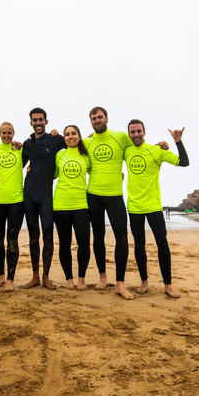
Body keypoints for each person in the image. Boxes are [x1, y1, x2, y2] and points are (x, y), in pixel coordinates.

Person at [83, 106, 168, 300]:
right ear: (91, 121)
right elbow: (80, 162)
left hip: (115, 196)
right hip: (93, 195)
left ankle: (119, 284)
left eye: (100, 117)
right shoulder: (86, 142)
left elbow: (140, 146)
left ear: (106, 118)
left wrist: (159, 146)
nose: (97, 120)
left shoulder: (121, 137)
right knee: (98, 237)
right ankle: (102, 277)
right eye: (94, 118)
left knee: (122, 238)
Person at [125, 120, 189, 298]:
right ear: (129, 134)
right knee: (139, 245)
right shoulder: (126, 150)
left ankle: (168, 285)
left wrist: (177, 142)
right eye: (132, 132)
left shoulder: (156, 151)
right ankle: (144, 282)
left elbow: (183, 162)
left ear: (144, 132)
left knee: (162, 244)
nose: (136, 134)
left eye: (139, 131)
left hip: (153, 206)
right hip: (134, 207)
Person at [20, 108, 66, 290]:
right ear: (30, 123)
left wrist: (60, 133)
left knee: (48, 236)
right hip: (29, 194)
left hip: (46, 195)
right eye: (34, 120)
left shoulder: (56, 140)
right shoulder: (27, 143)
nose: (38, 123)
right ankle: (35, 277)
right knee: (33, 237)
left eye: (41, 120)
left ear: (46, 122)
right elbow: (17, 164)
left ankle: (46, 277)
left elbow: (77, 144)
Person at [53, 125, 92, 291]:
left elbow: (97, 171)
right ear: (64, 138)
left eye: (73, 134)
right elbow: (53, 174)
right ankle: (69, 279)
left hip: (81, 204)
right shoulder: (59, 155)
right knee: (65, 244)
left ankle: (81, 279)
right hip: (60, 204)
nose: (70, 137)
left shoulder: (86, 155)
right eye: (67, 135)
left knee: (84, 243)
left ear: (79, 136)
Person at [0, 122, 24, 292]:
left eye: (9, 132)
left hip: (16, 201)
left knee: (12, 239)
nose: (7, 135)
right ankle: (1, 276)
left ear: (13, 133)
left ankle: (10, 279)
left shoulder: (20, 150)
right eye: (4, 132)